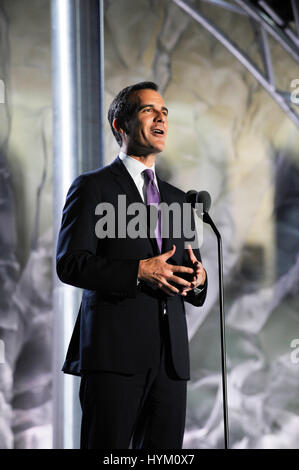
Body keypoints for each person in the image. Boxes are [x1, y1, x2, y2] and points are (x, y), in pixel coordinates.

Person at [56, 81, 208, 449]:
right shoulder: (92, 187)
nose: (161, 118)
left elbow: (192, 276)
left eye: (165, 112)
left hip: (170, 362)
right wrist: (138, 271)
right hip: (114, 354)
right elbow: (70, 263)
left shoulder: (177, 198)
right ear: (119, 125)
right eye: (148, 110)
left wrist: (198, 280)